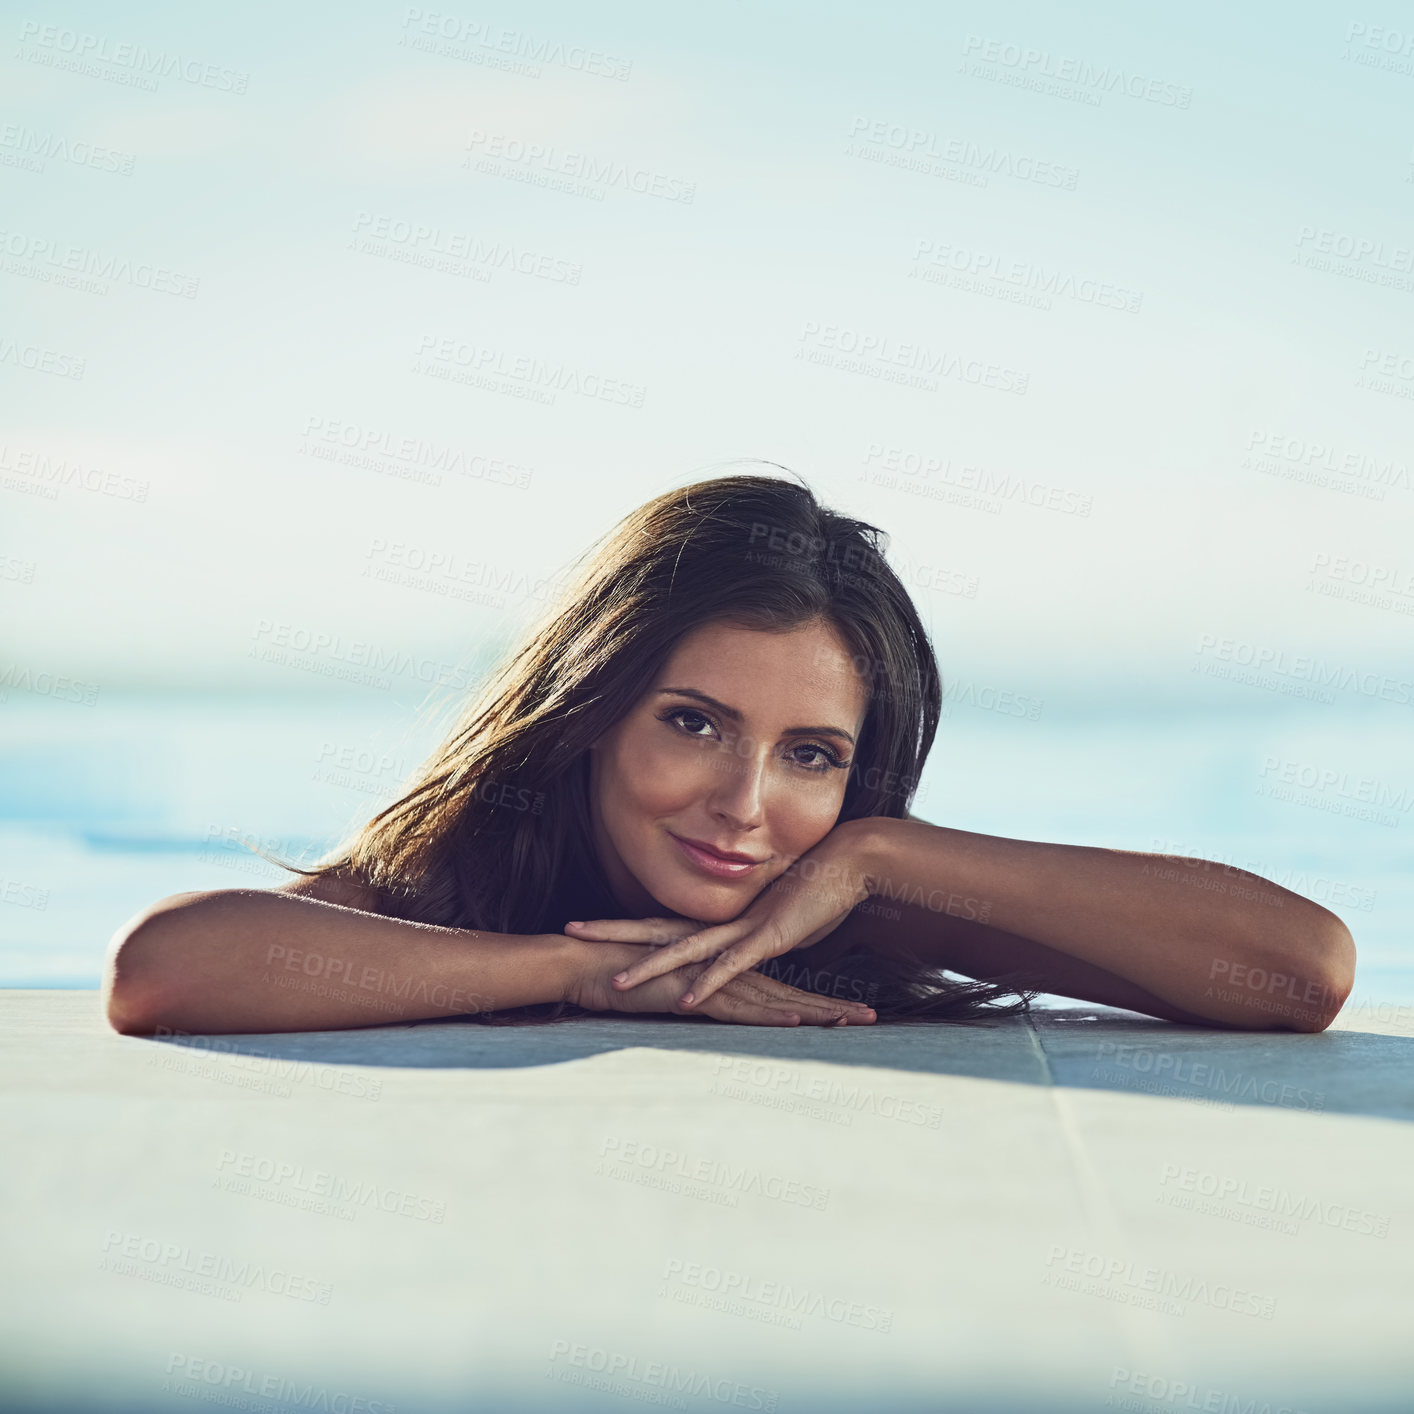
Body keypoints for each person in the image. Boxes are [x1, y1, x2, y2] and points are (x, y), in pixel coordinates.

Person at [103, 470, 1355, 1037]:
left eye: (811, 756)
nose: (744, 807)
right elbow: (166, 969)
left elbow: (1300, 975)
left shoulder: (844, 907)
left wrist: (880, 852)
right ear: (591, 708)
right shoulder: (461, 874)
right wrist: (568, 975)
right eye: (693, 722)